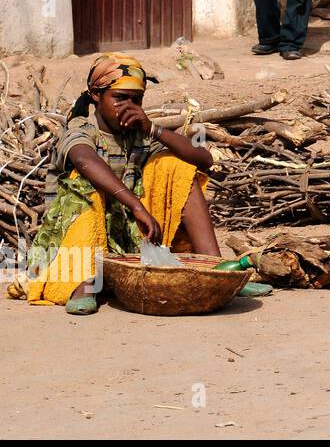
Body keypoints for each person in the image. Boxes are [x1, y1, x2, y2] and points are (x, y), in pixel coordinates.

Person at [20, 54, 270, 315]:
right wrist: (137, 206)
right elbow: (84, 160)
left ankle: (218, 271)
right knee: (83, 185)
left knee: (176, 168)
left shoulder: (139, 132)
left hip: (124, 237)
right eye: (120, 97)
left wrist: (153, 129)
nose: (129, 106)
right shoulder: (81, 130)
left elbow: (204, 159)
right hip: (74, 246)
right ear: (96, 95)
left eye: (136, 99)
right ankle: (84, 284)